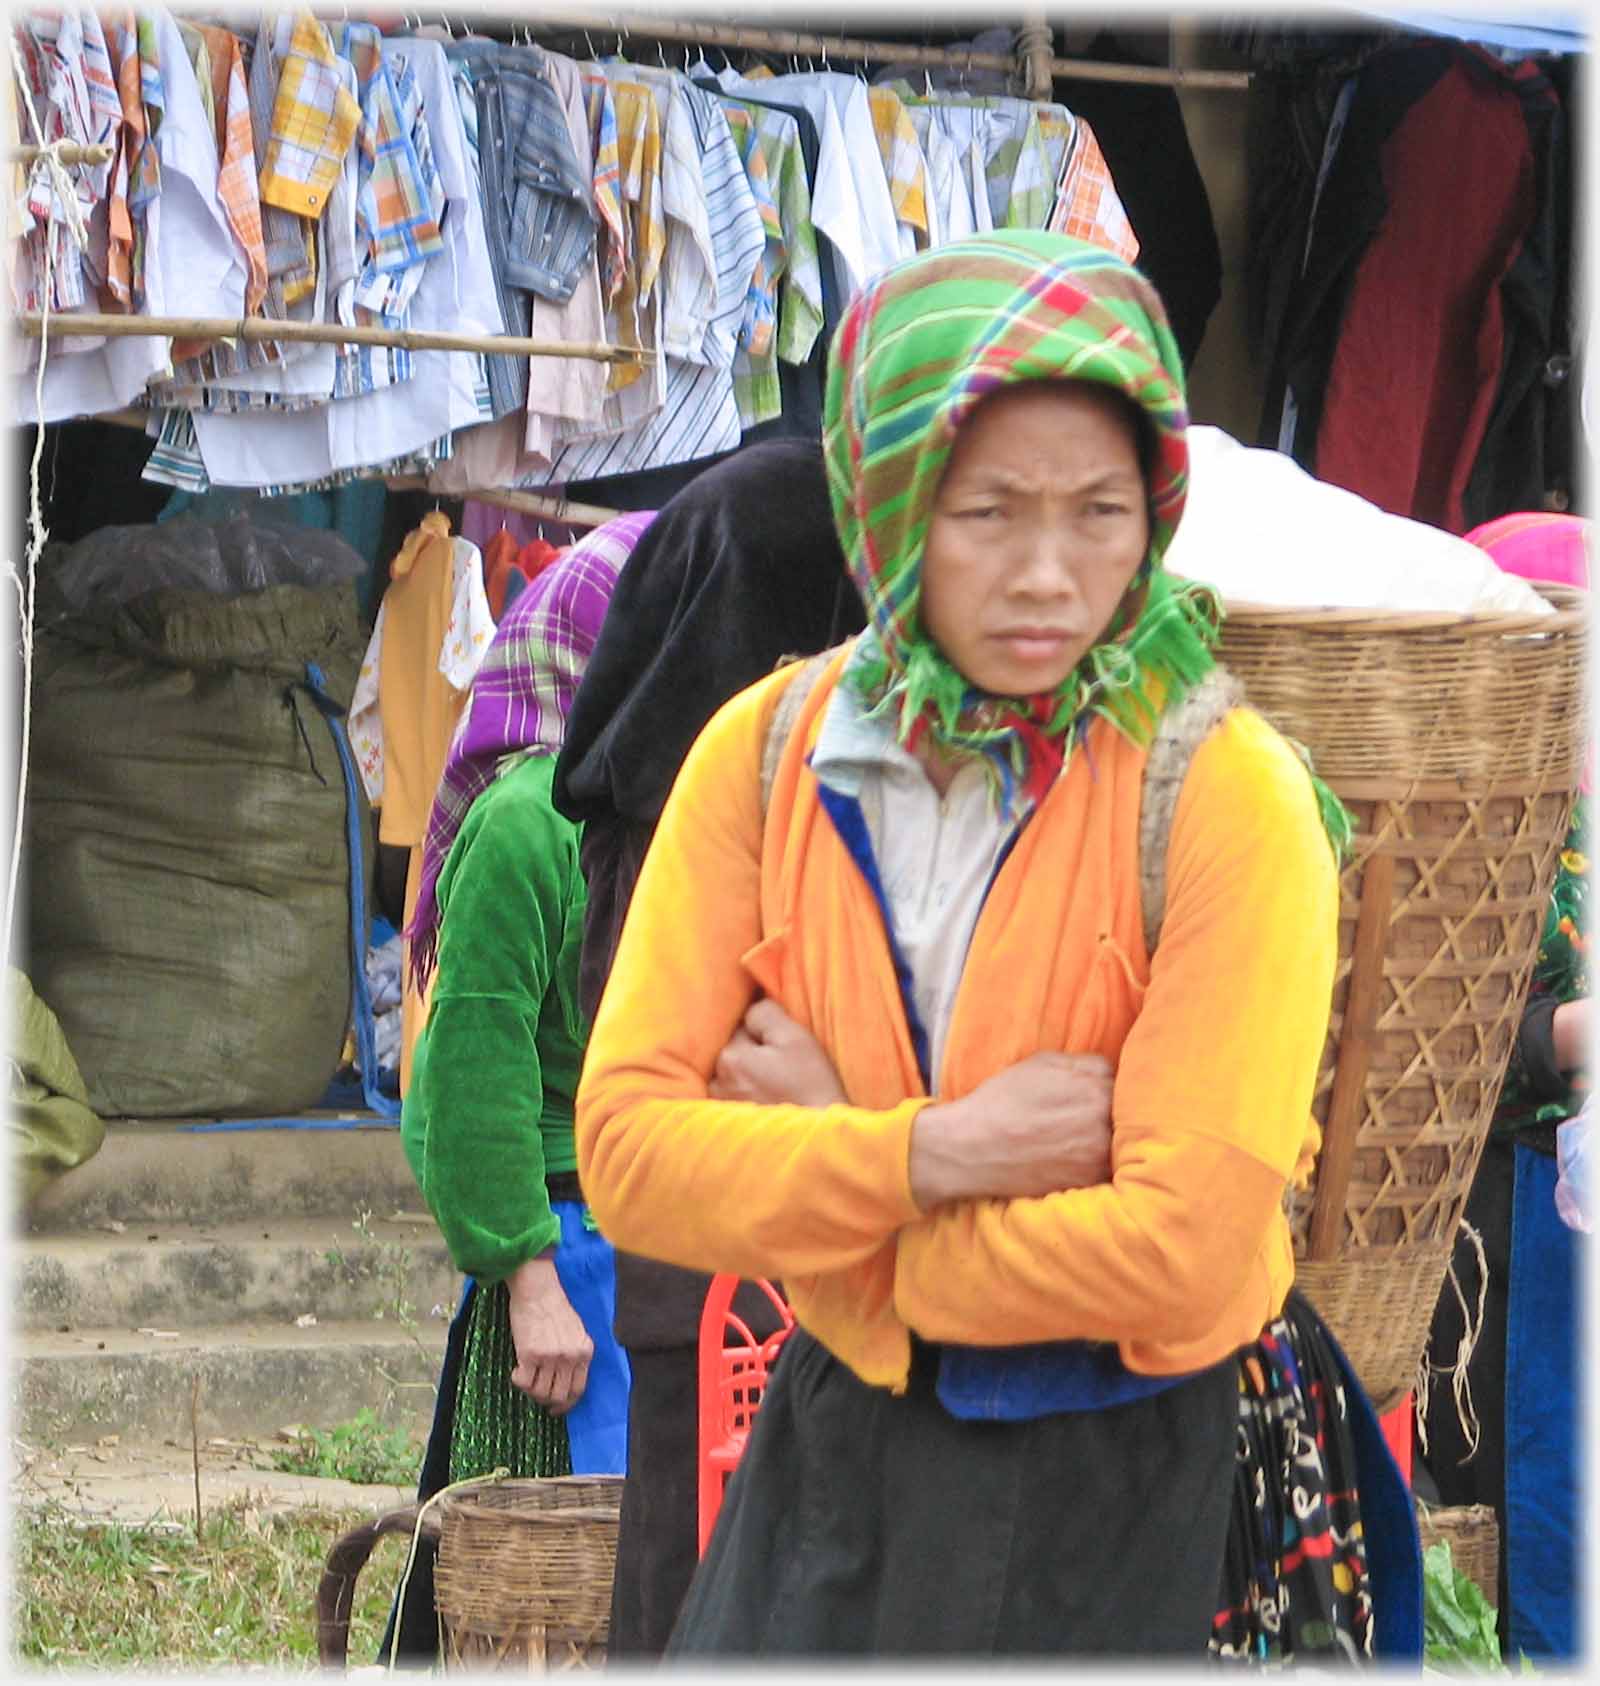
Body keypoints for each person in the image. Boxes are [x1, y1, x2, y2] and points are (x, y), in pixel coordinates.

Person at [573, 231, 1419, 1659]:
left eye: (1100, 509)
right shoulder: (768, 759)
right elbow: (632, 1158)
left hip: (1151, 1474)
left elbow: (1183, 1251)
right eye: (985, 513)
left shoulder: (1225, 797)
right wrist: (937, 1149)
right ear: (889, 505)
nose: (1047, 573)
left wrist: (842, 1197)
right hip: (842, 1463)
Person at [550, 438, 865, 1657]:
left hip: (769, 1271)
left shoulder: (689, 792)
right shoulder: (689, 814)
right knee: (701, 1593)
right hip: (719, 1288)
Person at [381, 512, 653, 1664]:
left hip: (652, 1241)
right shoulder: (526, 823)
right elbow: (471, 1067)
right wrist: (529, 1274)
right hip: (560, 1258)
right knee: (537, 1595)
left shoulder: (655, 813)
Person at [1418, 511, 1590, 1664]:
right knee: (1539, 1507)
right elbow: (1434, 1034)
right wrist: (1571, 1034)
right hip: (1514, 1212)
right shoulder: (1460, 823)